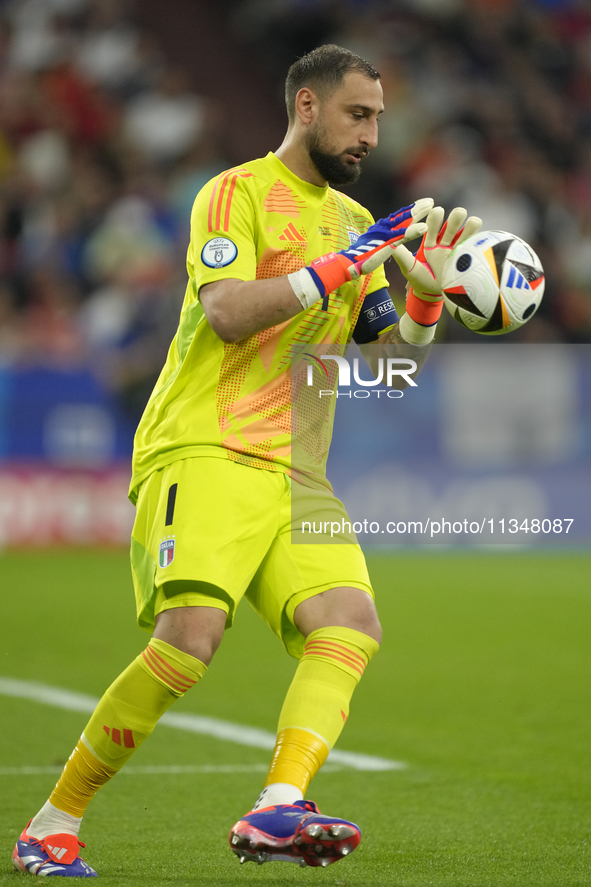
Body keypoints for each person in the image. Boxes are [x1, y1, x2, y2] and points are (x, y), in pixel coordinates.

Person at [13, 44, 480, 877]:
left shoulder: (349, 219)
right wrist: (341, 263)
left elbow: (386, 362)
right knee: (190, 637)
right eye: (357, 114)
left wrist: (425, 296)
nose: (372, 133)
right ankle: (54, 820)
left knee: (348, 621)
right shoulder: (233, 193)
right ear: (306, 107)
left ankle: (277, 805)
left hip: (297, 471)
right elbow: (228, 313)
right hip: (206, 442)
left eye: (376, 116)